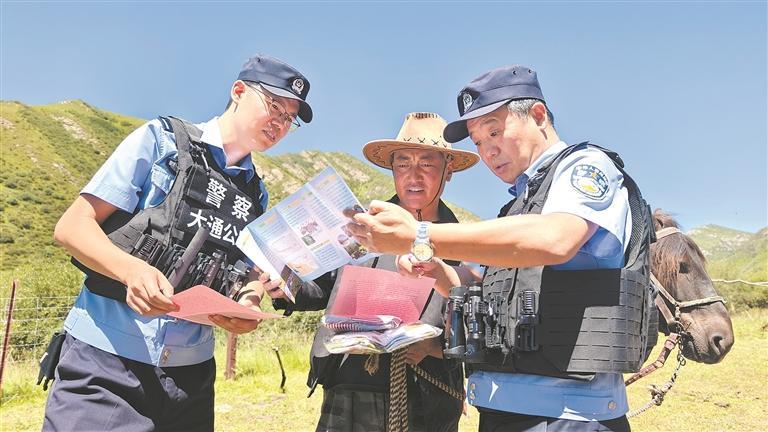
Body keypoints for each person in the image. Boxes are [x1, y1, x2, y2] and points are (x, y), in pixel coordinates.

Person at [348, 65, 655, 432]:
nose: (489, 151)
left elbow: (555, 239)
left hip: (567, 416)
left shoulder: (583, 166)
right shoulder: (514, 208)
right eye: (478, 142)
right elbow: (471, 286)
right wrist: (434, 270)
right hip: (500, 412)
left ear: (538, 116)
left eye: (495, 131)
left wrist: (420, 235)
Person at [42, 54, 313, 431]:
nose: (280, 123)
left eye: (290, 118)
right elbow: (72, 227)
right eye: (274, 106)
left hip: (192, 380)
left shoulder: (256, 194)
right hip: (106, 363)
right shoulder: (162, 140)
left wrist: (248, 302)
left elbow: (248, 272)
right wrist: (130, 270)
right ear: (238, 91)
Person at [269, 112, 481, 432]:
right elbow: (320, 287)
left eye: (426, 163)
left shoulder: (465, 246)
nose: (413, 175)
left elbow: (481, 324)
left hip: (426, 397)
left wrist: (434, 349)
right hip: (349, 385)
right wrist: (284, 284)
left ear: (447, 170)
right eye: (403, 163)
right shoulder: (360, 228)